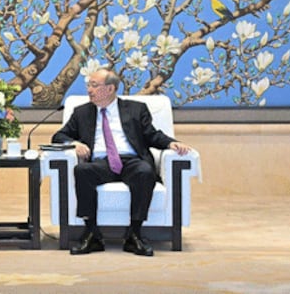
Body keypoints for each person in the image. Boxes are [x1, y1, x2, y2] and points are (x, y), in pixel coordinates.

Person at [51, 68, 192, 257]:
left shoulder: (135, 109)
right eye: (88, 85)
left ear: (110, 89)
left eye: (94, 85)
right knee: (82, 170)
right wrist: (74, 144)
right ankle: (92, 234)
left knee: (145, 171)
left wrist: (171, 143)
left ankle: (134, 234)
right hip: (101, 162)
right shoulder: (82, 112)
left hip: (131, 160)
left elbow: (152, 135)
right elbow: (59, 136)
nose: (89, 90)